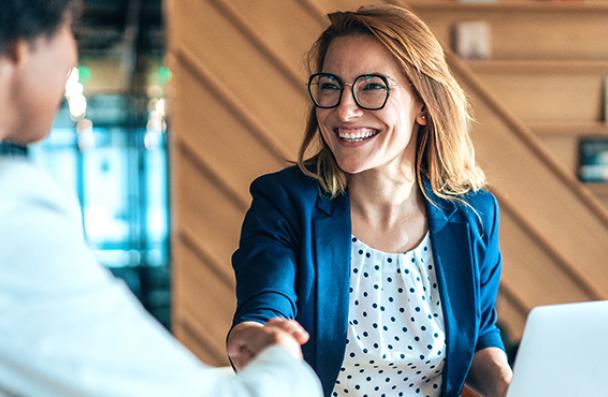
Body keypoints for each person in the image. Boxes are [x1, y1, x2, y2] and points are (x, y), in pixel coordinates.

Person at [0, 1, 322, 396]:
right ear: (20, 45)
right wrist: (282, 357)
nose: (73, 54)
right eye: (70, 29)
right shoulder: (12, 214)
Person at [227, 5, 512, 397]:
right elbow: (264, 310)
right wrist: (259, 339)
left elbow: (479, 332)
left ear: (425, 106)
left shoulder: (474, 213)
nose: (344, 110)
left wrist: (510, 384)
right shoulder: (285, 202)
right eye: (330, 86)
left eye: (372, 87)